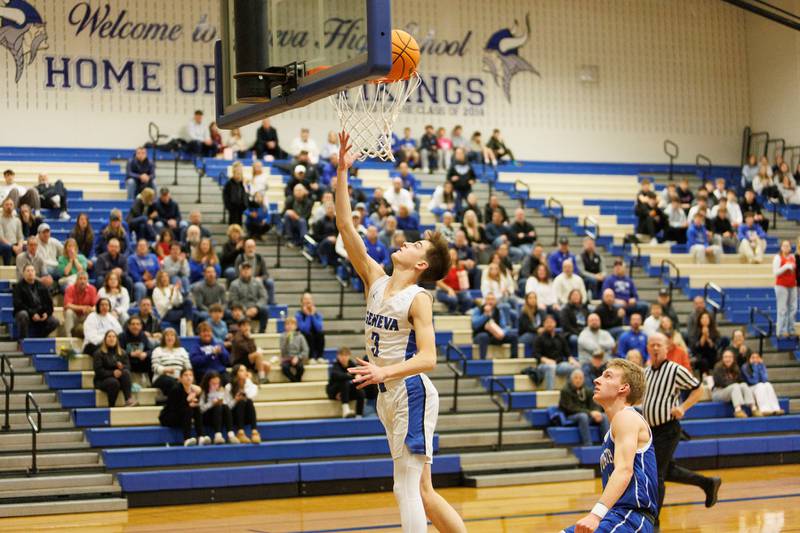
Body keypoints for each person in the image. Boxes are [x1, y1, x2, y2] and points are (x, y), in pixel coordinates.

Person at [334, 132, 466, 533]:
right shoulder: (375, 278)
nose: (407, 242)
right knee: (422, 489)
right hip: (387, 395)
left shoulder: (418, 297)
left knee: (403, 487)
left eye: (416, 244)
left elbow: (429, 359)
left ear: (422, 265)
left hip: (410, 391)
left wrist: (384, 372)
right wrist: (342, 172)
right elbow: (344, 223)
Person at [560, 359, 657, 533]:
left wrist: (595, 515)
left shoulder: (626, 417)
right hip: (616, 516)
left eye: (607, 376)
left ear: (623, 388)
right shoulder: (612, 430)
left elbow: (624, 471)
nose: (597, 380)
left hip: (631, 518)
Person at [643, 333, 721, 529]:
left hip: (668, 429)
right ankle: (708, 483)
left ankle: (654, 522)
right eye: (651, 345)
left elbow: (698, 388)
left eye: (658, 345)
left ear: (667, 347)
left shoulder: (675, 370)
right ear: (647, 348)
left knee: (656, 474)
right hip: (650, 431)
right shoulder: (646, 372)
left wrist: (683, 407)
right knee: (668, 471)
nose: (655, 348)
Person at [558, 368, 610, 447]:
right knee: (583, 416)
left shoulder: (587, 390)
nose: (578, 380)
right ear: (571, 379)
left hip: (587, 414)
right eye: (576, 378)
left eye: (580, 378)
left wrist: (596, 411)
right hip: (570, 416)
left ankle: (607, 445)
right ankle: (588, 444)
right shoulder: (565, 390)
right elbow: (570, 408)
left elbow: (595, 404)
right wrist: (590, 412)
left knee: (603, 416)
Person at [159, 368, 209, 446]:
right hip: (169, 417)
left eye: (190, 375)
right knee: (188, 409)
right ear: (180, 378)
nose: (188, 377)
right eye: (185, 375)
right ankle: (186, 439)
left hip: (183, 416)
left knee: (196, 408)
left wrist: (192, 403)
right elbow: (174, 408)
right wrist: (187, 401)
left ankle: (201, 437)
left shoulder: (193, 389)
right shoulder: (176, 389)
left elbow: (199, 394)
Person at [13, 264, 59, 340]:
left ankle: (39, 338)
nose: (30, 273)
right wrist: (32, 314)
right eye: (28, 271)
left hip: (40, 314)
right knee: (23, 314)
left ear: (35, 273)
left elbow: (49, 304)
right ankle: (22, 341)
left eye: (32, 270)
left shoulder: (42, 286)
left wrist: (46, 313)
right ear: (23, 273)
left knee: (54, 322)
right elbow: (18, 304)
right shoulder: (18, 287)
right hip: (27, 313)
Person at [93, 330, 137, 407]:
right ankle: (111, 406)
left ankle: (128, 399)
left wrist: (122, 367)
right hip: (102, 380)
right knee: (114, 382)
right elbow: (99, 371)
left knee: (126, 372)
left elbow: (128, 367)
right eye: (109, 336)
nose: (111, 338)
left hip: (119, 378)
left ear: (117, 339)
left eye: (114, 337)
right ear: (105, 339)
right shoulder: (98, 353)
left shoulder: (122, 352)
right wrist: (113, 373)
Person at [712, 348, 760, 418]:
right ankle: (738, 410)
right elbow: (721, 383)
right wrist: (735, 382)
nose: (728, 359)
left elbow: (741, 380)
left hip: (731, 390)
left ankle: (753, 408)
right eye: (725, 357)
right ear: (722, 358)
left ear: (733, 358)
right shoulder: (718, 367)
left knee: (743, 385)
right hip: (718, 392)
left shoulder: (735, 367)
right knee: (735, 386)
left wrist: (737, 383)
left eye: (730, 357)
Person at [470, 292, 519, 359]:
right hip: (480, 336)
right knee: (484, 336)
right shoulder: (478, 310)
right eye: (488, 299)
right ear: (485, 301)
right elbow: (474, 324)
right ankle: (483, 359)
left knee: (513, 336)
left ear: (495, 301)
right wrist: (485, 316)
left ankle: (514, 358)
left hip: (494, 336)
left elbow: (505, 326)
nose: (490, 301)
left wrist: (502, 333)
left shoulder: (499, 311)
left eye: (492, 299)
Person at [534, 314, 578, 383]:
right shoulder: (539, 338)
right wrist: (546, 360)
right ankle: (550, 392)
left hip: (558, 364)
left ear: (555, 323)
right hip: (543, 365)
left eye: (551, 322)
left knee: (575, 367)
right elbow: (536, 354)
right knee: (551, 367)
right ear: (543, 324)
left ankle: (570, 391)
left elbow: (567, 353)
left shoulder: (560, 337)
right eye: (547, 322)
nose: (549, 324)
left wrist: (571, 359)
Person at [225, 364, 262, 443]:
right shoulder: (229, 387)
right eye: (241, 370)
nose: (245, 372)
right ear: (236, 373)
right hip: (234, 416)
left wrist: (247, 383)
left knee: (248, 401)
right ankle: (240, 432)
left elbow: (251, 396)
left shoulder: (251, 385)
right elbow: (227, 407)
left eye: (245, 370)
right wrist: (235, 400)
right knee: (240, 402)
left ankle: (254, 432)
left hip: (246, 415)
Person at [228, 262, 269, 334]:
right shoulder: (234, 284)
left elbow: (264, 297)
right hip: (241, 310)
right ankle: (238, 332)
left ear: (251, 270)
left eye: (248, 269)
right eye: (244, 269)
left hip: (255, 310)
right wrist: (244, 310)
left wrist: (256, 307)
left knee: (264, 310)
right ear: (240, 271)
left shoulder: (258, 282)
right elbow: (234, 300)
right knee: (234, 312)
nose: (246, 271)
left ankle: (262, 331)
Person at [199, 371, 238, 444]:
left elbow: (229, 406)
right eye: (213, 383)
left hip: (221, 416)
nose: (216, 385)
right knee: (218, 407)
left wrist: (234, 400)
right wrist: (212, 404)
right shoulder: (204, 392)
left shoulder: (223, 390)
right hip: (208, 417)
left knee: (224, 406)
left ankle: (231, 434)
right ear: (208, 382)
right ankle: (218, 435)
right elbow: (201, 409)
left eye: (217, 383)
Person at [234, 239, 276, 305]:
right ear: (244, 248)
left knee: (270, 282)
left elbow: (266, 274)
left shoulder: (259, 258)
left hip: (257, 281)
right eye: (248, 247)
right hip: (243, 280)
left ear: (255, 248)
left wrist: (260, 278)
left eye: (252, 247)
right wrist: (244, 277)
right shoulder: (240, 258)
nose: (251, 249)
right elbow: (236, 273)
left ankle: (271, 304)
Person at [741, 352, 784, 416]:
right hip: (749, 389)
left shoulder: (761, 365)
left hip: (759, 387)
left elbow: (765, 379)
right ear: (749, 359)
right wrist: (755, 367)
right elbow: (753, 381)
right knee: (760, 385)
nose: (755, 359)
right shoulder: (745, 367)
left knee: (768, 384)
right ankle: (764, 409)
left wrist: (761, 366)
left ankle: (776, 408)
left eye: (757, 357)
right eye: (753, 357)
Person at [151, 328, 191, 396]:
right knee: (171, 382)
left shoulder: (182, 350)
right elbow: (155, 367)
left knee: (179, 384)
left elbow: (188, 367)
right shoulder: (157, 350)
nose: (169, 337)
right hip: (161, 378)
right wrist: (165, 370)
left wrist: (183, 377)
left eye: (172, 335)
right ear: (164, 338)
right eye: (167, 335)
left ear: (176, 338)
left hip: (179, 378)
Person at [327, 347, 365, 418]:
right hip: (334, 391)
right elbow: (337, 375)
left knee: (361, 392)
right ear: (338, 356)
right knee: (344, 381)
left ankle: (359, 415)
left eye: (346, 355)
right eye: (341, 355)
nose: (343, 358)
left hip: (345, 392)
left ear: (349, 356)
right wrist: (353, 376)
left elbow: (358, 378)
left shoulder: (352, 364)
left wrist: (358, 376)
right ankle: (345, 409)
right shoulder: (336, 365)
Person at [230, 318, 272, 384]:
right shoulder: (237, 337)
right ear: (240, 327)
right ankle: (262, 377)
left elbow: (253, 349)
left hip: (248, 360)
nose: (246, 327)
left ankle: (260, 380)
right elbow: (247, 350)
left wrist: (249, 338)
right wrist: (248, 338)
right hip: (239, 361)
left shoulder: (248, 336)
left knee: (267, 365)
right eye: (244, 325)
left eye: (248, 325)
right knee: (258, 354)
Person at [436, 248, 474, 314]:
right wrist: (449, 289)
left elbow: (464, 283)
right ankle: (451, 313)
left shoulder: (460, 266)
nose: (453, 255)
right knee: (453, 300)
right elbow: (438, 282)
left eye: (454, 253)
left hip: (458, 291)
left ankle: (461, 313)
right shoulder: (443, 267)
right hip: (444, 292)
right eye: (451, 254)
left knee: (468, 299)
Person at [773, 239, 797, 337]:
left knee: (793, 308)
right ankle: (781, 331)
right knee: (782, 309)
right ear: (781, 247)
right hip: (781, 285)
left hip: (792, 285)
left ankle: (791, 329)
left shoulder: (792, 257)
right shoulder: (778, 258)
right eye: (784, 246)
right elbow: (775, 272)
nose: (786, 248)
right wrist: (786, 266)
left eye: (788, 246)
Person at [119, 316, 153, 386]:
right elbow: (118, 352)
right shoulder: (122, 336)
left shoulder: (143, 336)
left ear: (141, 326)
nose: (135, 326)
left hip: (140, 362)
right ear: (128, 326)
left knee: (151, 360)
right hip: (128, 362)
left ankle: (152, 383)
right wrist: (131, 354)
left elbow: (150, 350)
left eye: (138, 324)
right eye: (133, 324)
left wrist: (145, 354)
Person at [63, 271, 98, 337]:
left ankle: (91, 336)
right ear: (76, 280)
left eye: (85, 279)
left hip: (85, 315)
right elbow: (67, 305)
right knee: (68, 312)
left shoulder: (92, 289)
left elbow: (96, 305)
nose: (82, 281)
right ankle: (69, 337)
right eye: (80, 279)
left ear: (87, 281)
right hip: (74, 315)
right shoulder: (70, 289)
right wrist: (83, 308)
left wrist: (90, 309)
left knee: (94, 313)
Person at [296, 292, 325, 362]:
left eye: (309, 299)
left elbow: (319, 328)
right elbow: (305, 329)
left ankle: (320, 357)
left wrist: (312, 315)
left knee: (321, 333)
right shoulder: (298, 314)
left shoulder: (317, 314)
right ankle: (310, 357)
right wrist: (308, 316)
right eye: (305, 299)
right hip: (305, 337)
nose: (308, 301)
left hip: (315, 337)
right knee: (308, 334)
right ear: (302, 302)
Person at [282, 183, 313, 247]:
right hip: (291, 222)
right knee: (287, 214)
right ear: (293, 192)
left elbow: (306, 216)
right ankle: (289, 238)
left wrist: (296, 216)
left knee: (302, 221)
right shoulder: (290, 199)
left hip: (303, 223)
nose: (298, 192)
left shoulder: (308, 202)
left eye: (300, 190)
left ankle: (304, 241)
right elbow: (282, 213)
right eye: (296, 190)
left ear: (304, 191)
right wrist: (288, 211)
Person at [280, 316, 308, 382]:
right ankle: (294, 380)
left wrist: (298, 357)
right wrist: (286, 340)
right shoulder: (282, 336)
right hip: (286, 358)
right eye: (287, 324)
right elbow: (282, 351)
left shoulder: (300, 336)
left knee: (300, 368)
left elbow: (306, 350)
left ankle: (297, 378)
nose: (289, 326)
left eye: (292, 324)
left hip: (297, 357)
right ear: (284, 326)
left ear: (296, 326)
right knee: (284, 368)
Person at [0, 197, 23, 265]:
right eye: (7, 204)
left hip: (14, 244)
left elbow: (20, 236)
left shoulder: (17, 220)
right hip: (2, 244)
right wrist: (12, 247)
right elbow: (1, 237)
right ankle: (7, 269)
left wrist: (20, 245)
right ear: (3, 206)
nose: (9, 206)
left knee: (27, 247)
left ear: (14, 207)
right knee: (7, 248)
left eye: (11, 204)